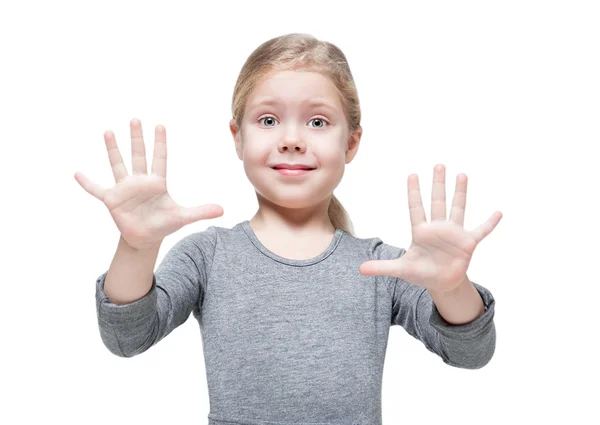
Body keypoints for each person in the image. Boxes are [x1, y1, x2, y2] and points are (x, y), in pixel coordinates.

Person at [74, 33, 500, 425]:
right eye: (268, 120)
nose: (292, 139)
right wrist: (136, 247)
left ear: (351, 142)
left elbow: (471, 353)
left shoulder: (384, 267)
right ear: (237, 137)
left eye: (317, 122)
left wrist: (450, 287)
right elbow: (127, 339)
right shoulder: (208, 256)